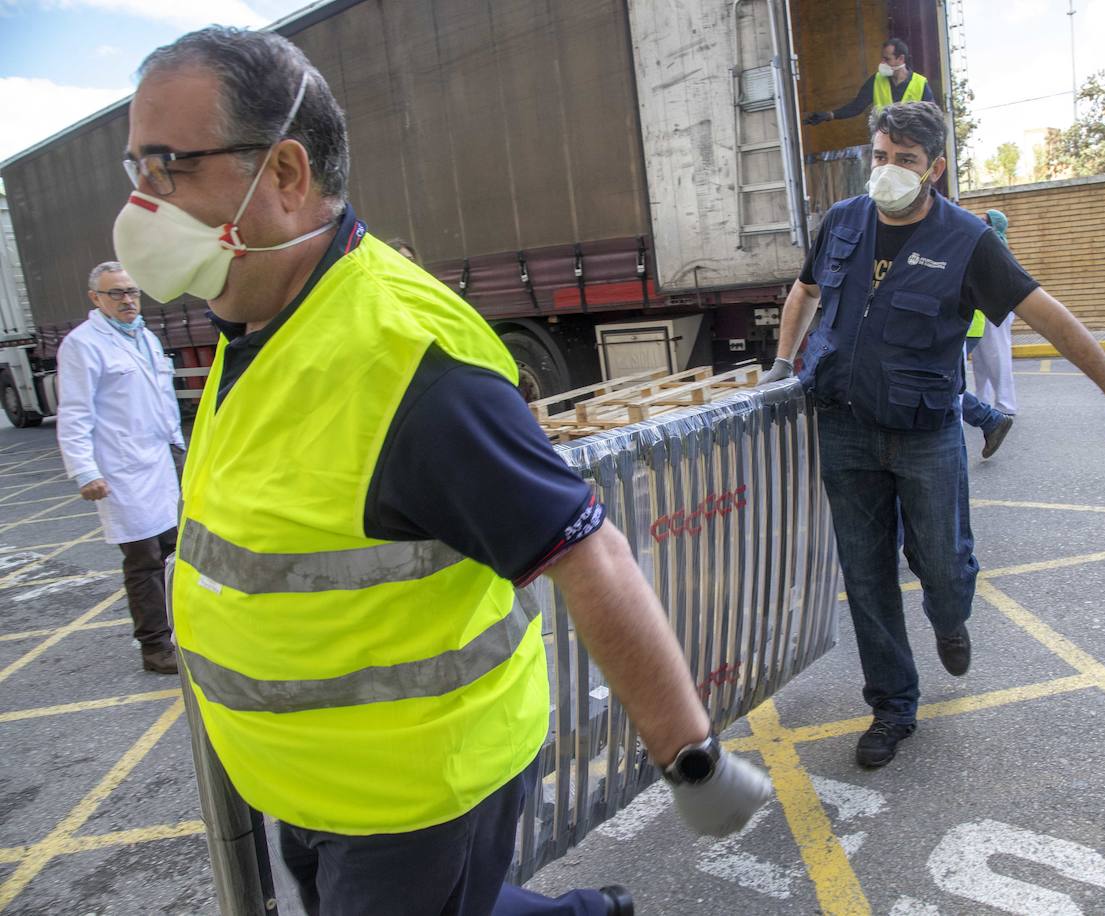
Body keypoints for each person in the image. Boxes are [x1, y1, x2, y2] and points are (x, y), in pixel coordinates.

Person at [114, 27, 769, 915]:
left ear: (285, 175)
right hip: (302, 781)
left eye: (167, 167)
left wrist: (692, 760)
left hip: (412, 795)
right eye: (136, 171)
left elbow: (590, 553)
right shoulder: (256, 322)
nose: (141, 204)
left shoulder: (413, 363)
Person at [760, 101, 1105, 769]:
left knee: (942, 564)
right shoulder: (842, 222)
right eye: (880, 156)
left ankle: (950, 619)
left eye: (906, 161)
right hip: (846, 427)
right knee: (865, 577)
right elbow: (804, 293)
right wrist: (781, 362)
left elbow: (1048, 315)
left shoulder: (968, 241)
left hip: (925, 434)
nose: (888, 171)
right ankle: (893, 705)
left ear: (936, 169)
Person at [56, 261, 184, 675]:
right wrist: (84, 471)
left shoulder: (144, 336)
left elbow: (161, 400)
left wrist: (178, 448)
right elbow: (74, 413)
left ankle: (182, 633)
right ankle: (155, 646)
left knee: (175, 553)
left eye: (132, 292)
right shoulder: (83, 345)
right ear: (96, 299)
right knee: (144, 559)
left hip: (161, 460)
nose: (128, 300)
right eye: (117, 294)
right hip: (120, 467)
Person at [802, 38, 935, 127]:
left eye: (887, 59)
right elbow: (856, 106)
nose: (882, 63)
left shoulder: (920, 84)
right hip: (884, 145)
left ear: (900, 59)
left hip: (909, 147)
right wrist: (829, 115)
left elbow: (931, 119)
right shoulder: (876, 80)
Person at [968, 210, 1019, 416]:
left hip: (996, 308)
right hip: (983, 310)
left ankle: (1006, 404)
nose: (978, 221)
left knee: (997, 356)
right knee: (981, 359)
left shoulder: (995, 246)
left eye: (983, 220)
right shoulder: (985, 244)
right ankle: (983, 401)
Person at [961, 309, 1013, 459]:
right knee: (940, 382)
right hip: (968, 326)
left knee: (939, 383)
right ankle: (990, 419)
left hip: (963, 326)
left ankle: (990, 419)